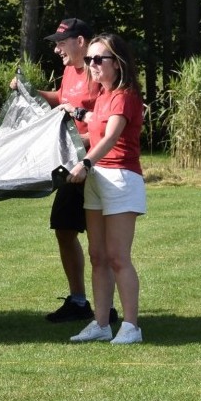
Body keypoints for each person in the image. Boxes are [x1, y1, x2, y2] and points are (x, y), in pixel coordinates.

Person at [11, 17, 117, 324]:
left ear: (80, 41)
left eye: (62, 42)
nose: (58, 50)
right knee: (64, 228)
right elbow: (62, 99)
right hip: (73, 163)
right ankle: (80, 301)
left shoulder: (100, 72)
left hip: (97, 164)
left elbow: (110, 118)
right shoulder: (70, 69)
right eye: (56, 44)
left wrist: (85, 141)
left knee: (104, 243)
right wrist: (30, 92)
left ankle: (105, 307)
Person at [66, 33, 146, 344]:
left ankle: (131, 327)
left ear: (118, 62)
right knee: (97, 255)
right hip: (98, 180)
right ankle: (101, 324)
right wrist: (70, 112)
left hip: (121, 179)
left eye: (99, 59)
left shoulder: (124, 96)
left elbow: (110, 137)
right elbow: (93, 126)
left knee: (117, 257)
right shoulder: (102, 97)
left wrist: (84, 164)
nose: (92, 64)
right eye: (89, 59)